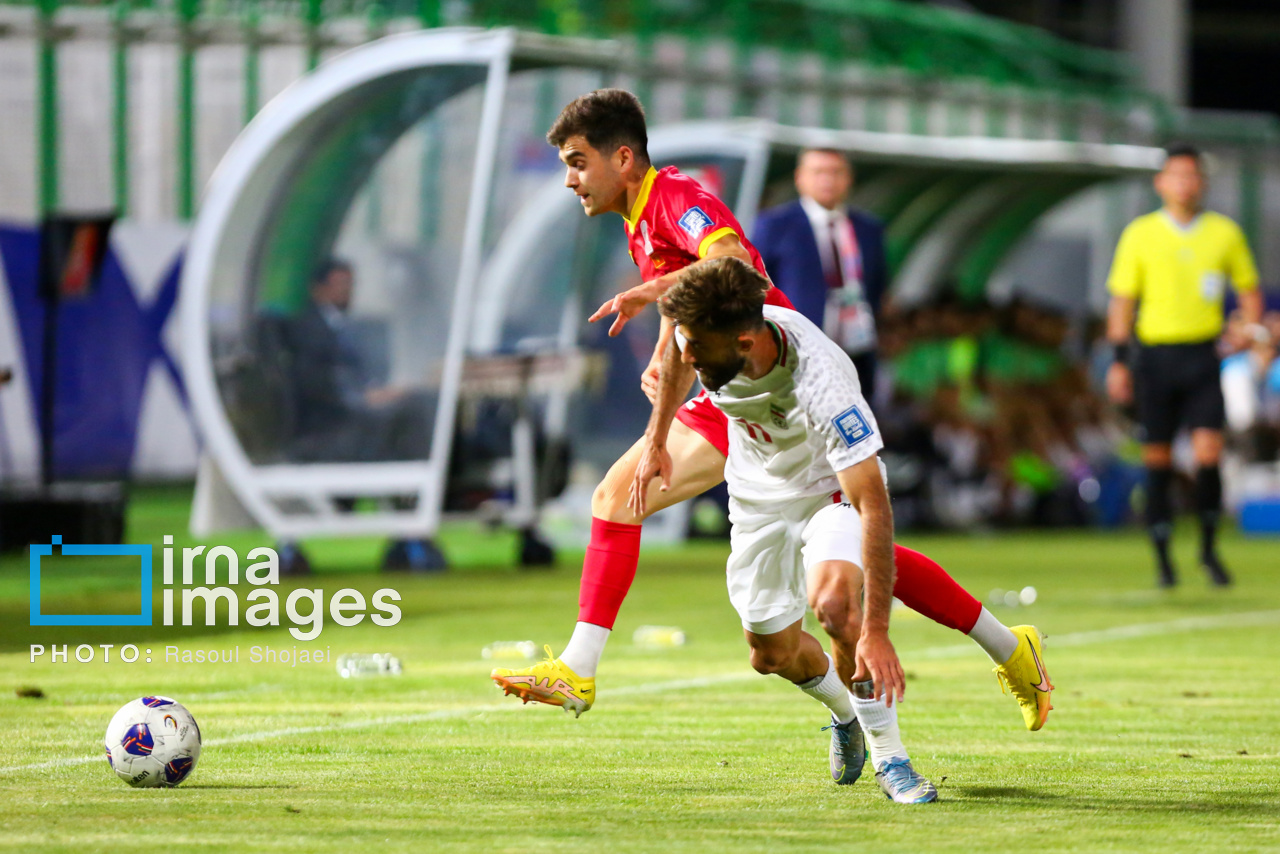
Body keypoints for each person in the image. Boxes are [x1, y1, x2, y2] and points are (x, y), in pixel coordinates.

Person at [492, 89, 1051, 735]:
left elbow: (729, 264)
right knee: (625, 500)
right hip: (732, 395)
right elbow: (697, 300)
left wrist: (651, 292)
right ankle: (580, 669)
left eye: (577, 161)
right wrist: (668, 352)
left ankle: (1003, 652)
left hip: (784, 390)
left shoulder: (676, 198)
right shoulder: (638, 216)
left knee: (856, 555)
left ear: (622, 157)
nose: (569, 179)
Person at [658, 256, 937, 800]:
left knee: (835, 606)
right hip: (756, 496)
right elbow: (674, 352)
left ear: (744, 342)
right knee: (770, 654)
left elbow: (873, 508)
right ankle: (845, 715)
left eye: (695, 345)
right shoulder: (708, 336)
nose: (684, 354)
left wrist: (876, 631)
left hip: (825, 491)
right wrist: (654, 443)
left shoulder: (822, 383)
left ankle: (893, 760)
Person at [1105, 144, 1264, 588]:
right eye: (1176, 175)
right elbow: (1122, 301)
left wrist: (1246, 330)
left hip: (1202, 356)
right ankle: (1162, 558)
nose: (1184, 184)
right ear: (1161, 182)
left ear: (1203, 183)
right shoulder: (1140, 234)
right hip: (1155, 358)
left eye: (1192, 176)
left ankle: (1209, 548)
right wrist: (1119, 362)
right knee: (1156, 459)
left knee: (1208, 453)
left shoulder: (1224, 233)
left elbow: (1249, 290)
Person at [752, 149, 888, 399]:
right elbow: (755, 284)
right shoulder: (775, 225)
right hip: (794, 350)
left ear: (849, 179)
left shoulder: (869, 229)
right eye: (818, 172)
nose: (827, 180)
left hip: (853, 350)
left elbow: (877, 286)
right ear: (799, 178)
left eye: (836, 173)